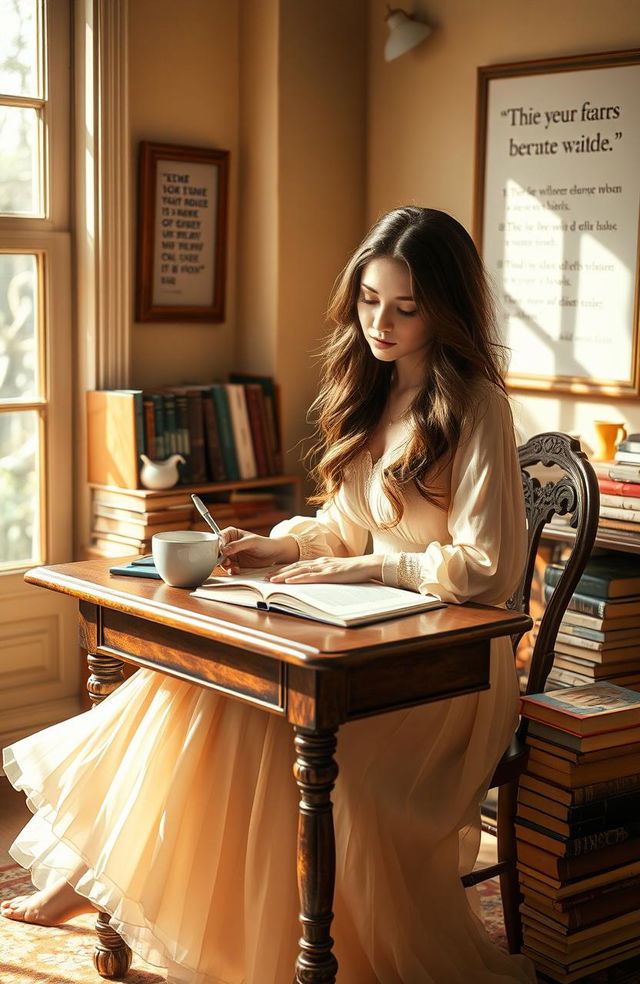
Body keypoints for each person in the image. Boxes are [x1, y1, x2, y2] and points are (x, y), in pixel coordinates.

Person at [2, 207, 536, 984]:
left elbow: (487, 568)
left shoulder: (478, 407)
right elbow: (348, 528)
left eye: (405, 307)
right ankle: (102, 876)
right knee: (193, 685)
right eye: (368, 300)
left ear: (444, 308)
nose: (380, 322)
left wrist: (372, 572)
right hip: (368, 643)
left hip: (448, 675)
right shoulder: (373, 391)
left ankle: (138, 894)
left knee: (258, 723)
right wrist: (281, 545)